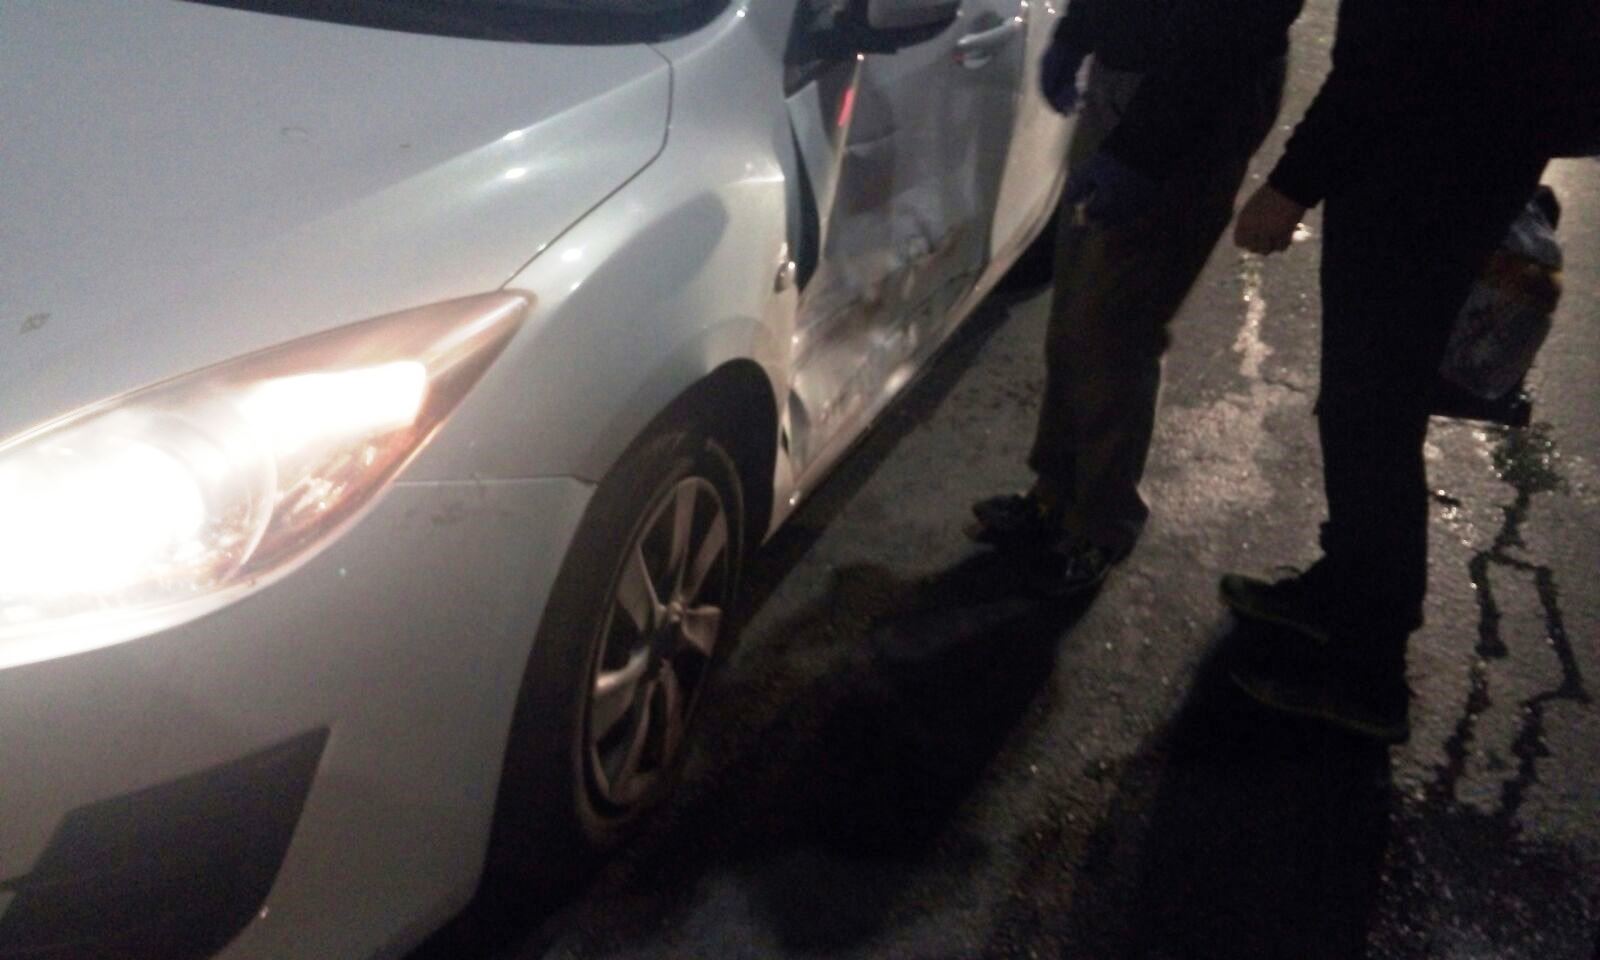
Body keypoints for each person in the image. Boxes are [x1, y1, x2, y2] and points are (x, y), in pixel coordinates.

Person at [1223, 0, 1593, 742]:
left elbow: (1381, 65)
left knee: (1371, 421)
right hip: (1451, 175)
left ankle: (1368, 672)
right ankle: (1347, 589)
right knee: (1367, 411)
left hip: (1418, 188)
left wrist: (1289, 186)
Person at [969, 0, 1305, 596]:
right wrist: (1080, 30)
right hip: (1132, 77)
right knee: (1077, 309)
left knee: (1116, 324)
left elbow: (1234, 30)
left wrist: (1141, 150)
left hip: (1189, 102)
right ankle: (1056, 494)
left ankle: (1101, 522)